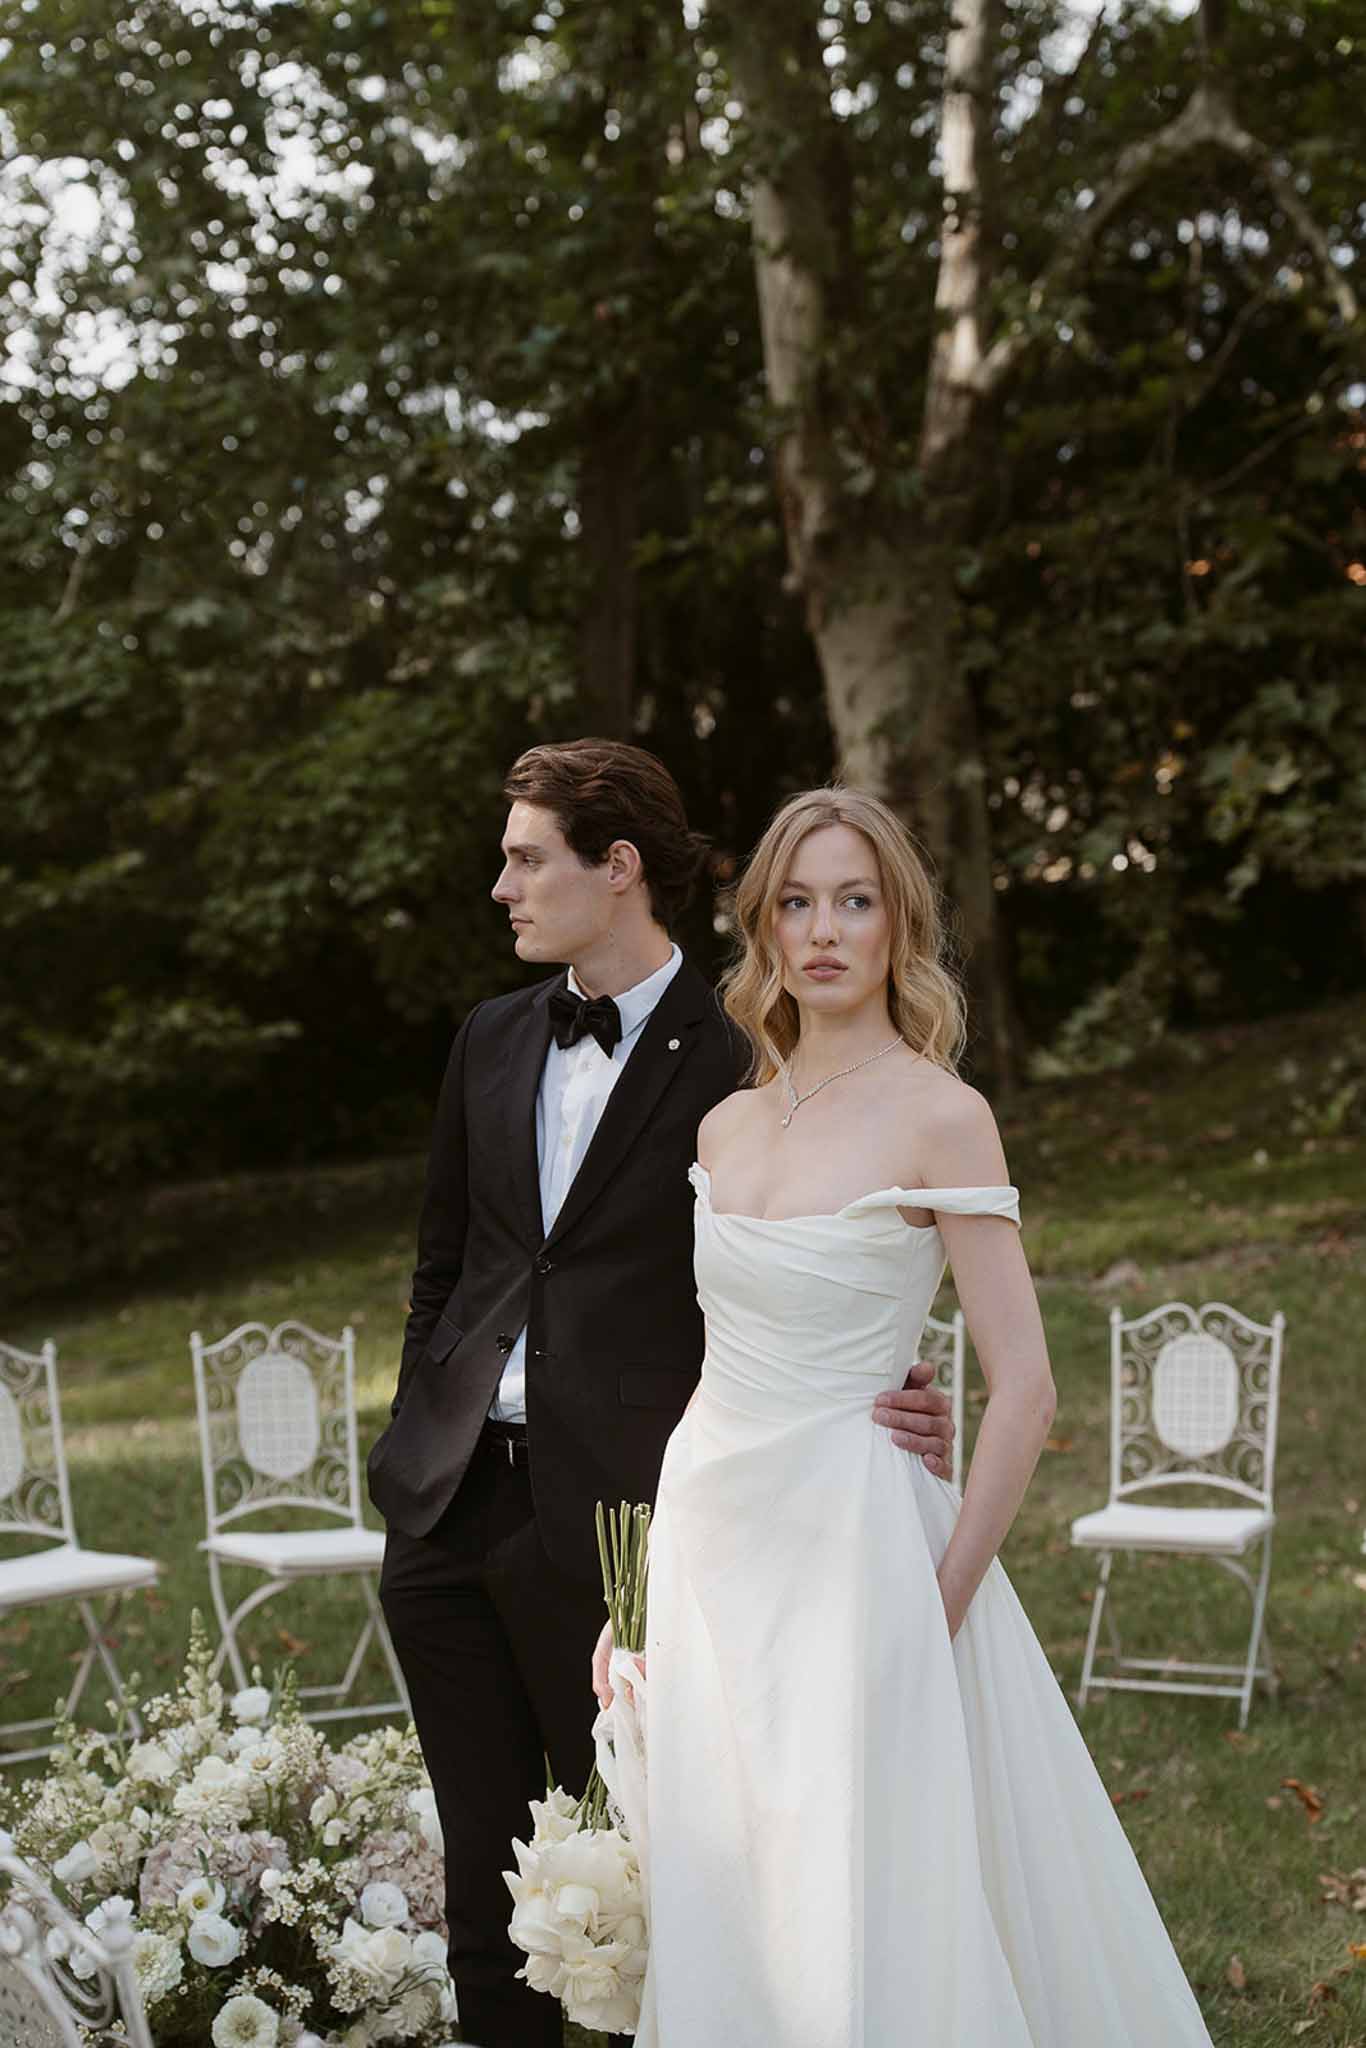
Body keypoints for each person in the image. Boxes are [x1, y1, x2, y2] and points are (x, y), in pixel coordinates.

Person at [597, 785, 1216, 2047]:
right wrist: (640, 1600)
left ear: (897, 926)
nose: (824, 928)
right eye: (797, 902)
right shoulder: (721, 1123)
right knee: (733, 1866)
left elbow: (1025, 1385)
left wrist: (937, 1595)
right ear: (765, 928)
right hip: (713, 1533)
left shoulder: (941, 1112)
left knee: (861, 1871)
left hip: (859, 1545)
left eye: (856, 900)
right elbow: (725, 1358)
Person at [367, 741, 954, 2048]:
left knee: (655, 1871)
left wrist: (887, 1384)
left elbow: (824, 1254)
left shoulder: (748, 1060)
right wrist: (418, 1432)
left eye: (526, 858)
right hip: (448, 1506)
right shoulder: (490, 1040)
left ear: (616, 867)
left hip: (640, 1518)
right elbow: (444, 1267)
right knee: (486, 1878)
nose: (500, 886)